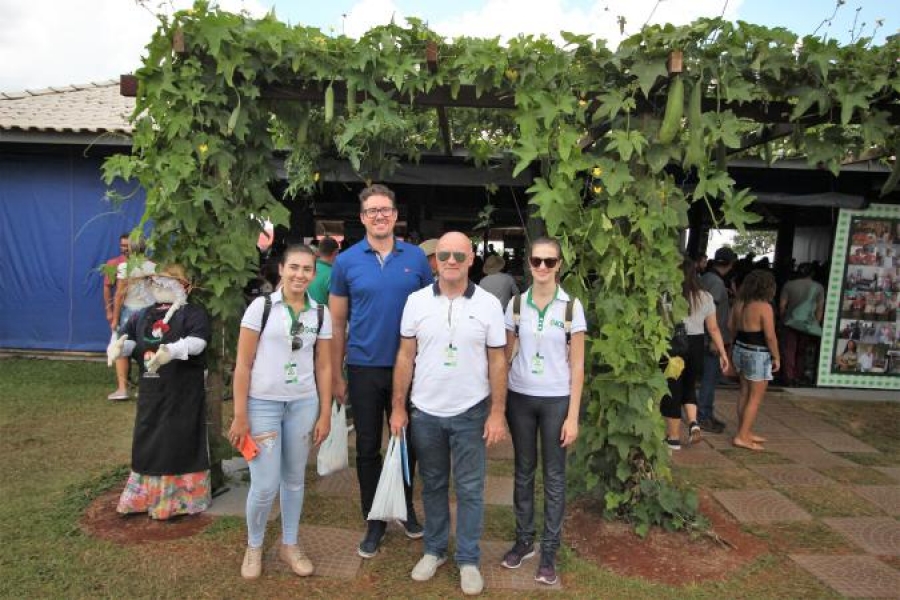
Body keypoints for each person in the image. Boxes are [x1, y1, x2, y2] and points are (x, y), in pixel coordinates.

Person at [390, 231, 508, 597]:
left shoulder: (489, 304)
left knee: (471, 488)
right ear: (435, 261)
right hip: (425, 411)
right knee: (435, 484)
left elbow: (497, 360)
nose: (452, 261)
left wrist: (497, 413)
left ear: (471, 258)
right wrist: (398, 407)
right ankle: (434, 549)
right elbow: (405, 356)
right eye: (445, 255)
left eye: (459, 254)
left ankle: (469, 559)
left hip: (472, 412)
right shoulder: (416, 302)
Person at [329, 184, 433, 558]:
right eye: (372, 210)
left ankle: (404, 510)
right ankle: (373, 518)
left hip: (410, 367)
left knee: (407, 444)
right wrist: (337, 374)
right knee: (369, 447)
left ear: (394, 215)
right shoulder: (347, 262)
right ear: (362, 218)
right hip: (363, 366)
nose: (379, 216)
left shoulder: (416, 259)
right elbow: (337, 323)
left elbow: (431, 313)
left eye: (385, 209)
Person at [229, 245, 333, 580]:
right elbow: (243, 365)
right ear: (281, 269)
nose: (300, 275)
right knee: (264, 484)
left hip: (303, 403)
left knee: (294, 480)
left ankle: (290, 544)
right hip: (263, 404)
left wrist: (326, 413)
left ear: (314, 274)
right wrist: (240, 414)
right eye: (294, 268)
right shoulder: (261, 308)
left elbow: (325, 365)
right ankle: (254, 545)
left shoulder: (320, 313)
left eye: (306, 269)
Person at [499, 237, 586, 585]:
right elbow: (503, 358)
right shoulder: (516, 304)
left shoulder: (571, 307)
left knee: (554, 477)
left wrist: (573, 416)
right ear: (528, 263)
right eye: (537, 261)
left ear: (560, 265)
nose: (543, 268)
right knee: (522, 471)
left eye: (550, 262)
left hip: (556, 399)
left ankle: (549, 550)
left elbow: (578, 366)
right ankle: (524, 541)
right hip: (520, 396)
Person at [105, 264, 211, 520]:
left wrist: (173, 350)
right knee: (148, 437)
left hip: (183, 391)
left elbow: (199, 342)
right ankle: (145, 495)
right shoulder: (141, 316)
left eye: (165, 283)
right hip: (151, 391)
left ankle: (180, 500)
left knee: (179, 438)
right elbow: (132, 341)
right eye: (154, 283)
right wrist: (120, 347)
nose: (158, 287)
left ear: (182, 286)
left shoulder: (192, 314)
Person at [661, 258, 729, 451]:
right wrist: (723, 353)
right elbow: (713, 328)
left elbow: (664, 323)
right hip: (697, 345)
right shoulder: (706, 297)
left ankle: (673, 438)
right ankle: (693, 423)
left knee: (672, 389)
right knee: (689, 386)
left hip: (674, 344)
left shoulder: (667, 296)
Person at [729, 269, 780, 451]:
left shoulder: (739, 303)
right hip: (758, 353)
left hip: (740, 348)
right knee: (755, 397)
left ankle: (745, 431)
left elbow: (731, 328)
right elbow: (770, 336)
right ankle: (742, 436)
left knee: (744, 392)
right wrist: (776, 356)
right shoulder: (764, 307)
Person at [108, 237, 156, 401]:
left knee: (121, 348)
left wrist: (115, 318)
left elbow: (120, 294)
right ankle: (145, 388)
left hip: (130, 312)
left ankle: (122, 389)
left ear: (131, 248)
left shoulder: (124, 267)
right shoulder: (153, 266)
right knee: (148, 349)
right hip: (150, 311)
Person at [697, 246, 737, 433]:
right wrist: (714, 339)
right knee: (709, 379)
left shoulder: (706, 278)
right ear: (730, 264)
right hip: (710, 338)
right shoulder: (716, 283)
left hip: (704, 336)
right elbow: (708, 314)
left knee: (708, 378)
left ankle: (705, 413)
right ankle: (703, 415)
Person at [779, 263, 825, 386]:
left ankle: (788, 377)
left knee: (789, 351)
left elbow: (782, 306)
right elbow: (819, 309)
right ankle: (798, 377)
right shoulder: (819, 287)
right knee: (802, 352)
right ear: (812, 273)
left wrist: (783, 320)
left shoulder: (789, 285)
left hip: (790, 323)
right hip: (807, 324)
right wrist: (816, 324)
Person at [102, 234, 130, 327]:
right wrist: (109, 311)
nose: (125, 248)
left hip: (142, 306)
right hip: (121, 308)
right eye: (123, 245)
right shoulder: (113, 263)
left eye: (128, 245)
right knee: (120, 336)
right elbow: (107, 287)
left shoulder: (143, 263)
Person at [308, 236, 339, 304]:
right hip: (324, 313)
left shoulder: (307, 268)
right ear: (336, 252)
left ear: (319, 251)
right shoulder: (334, 275)